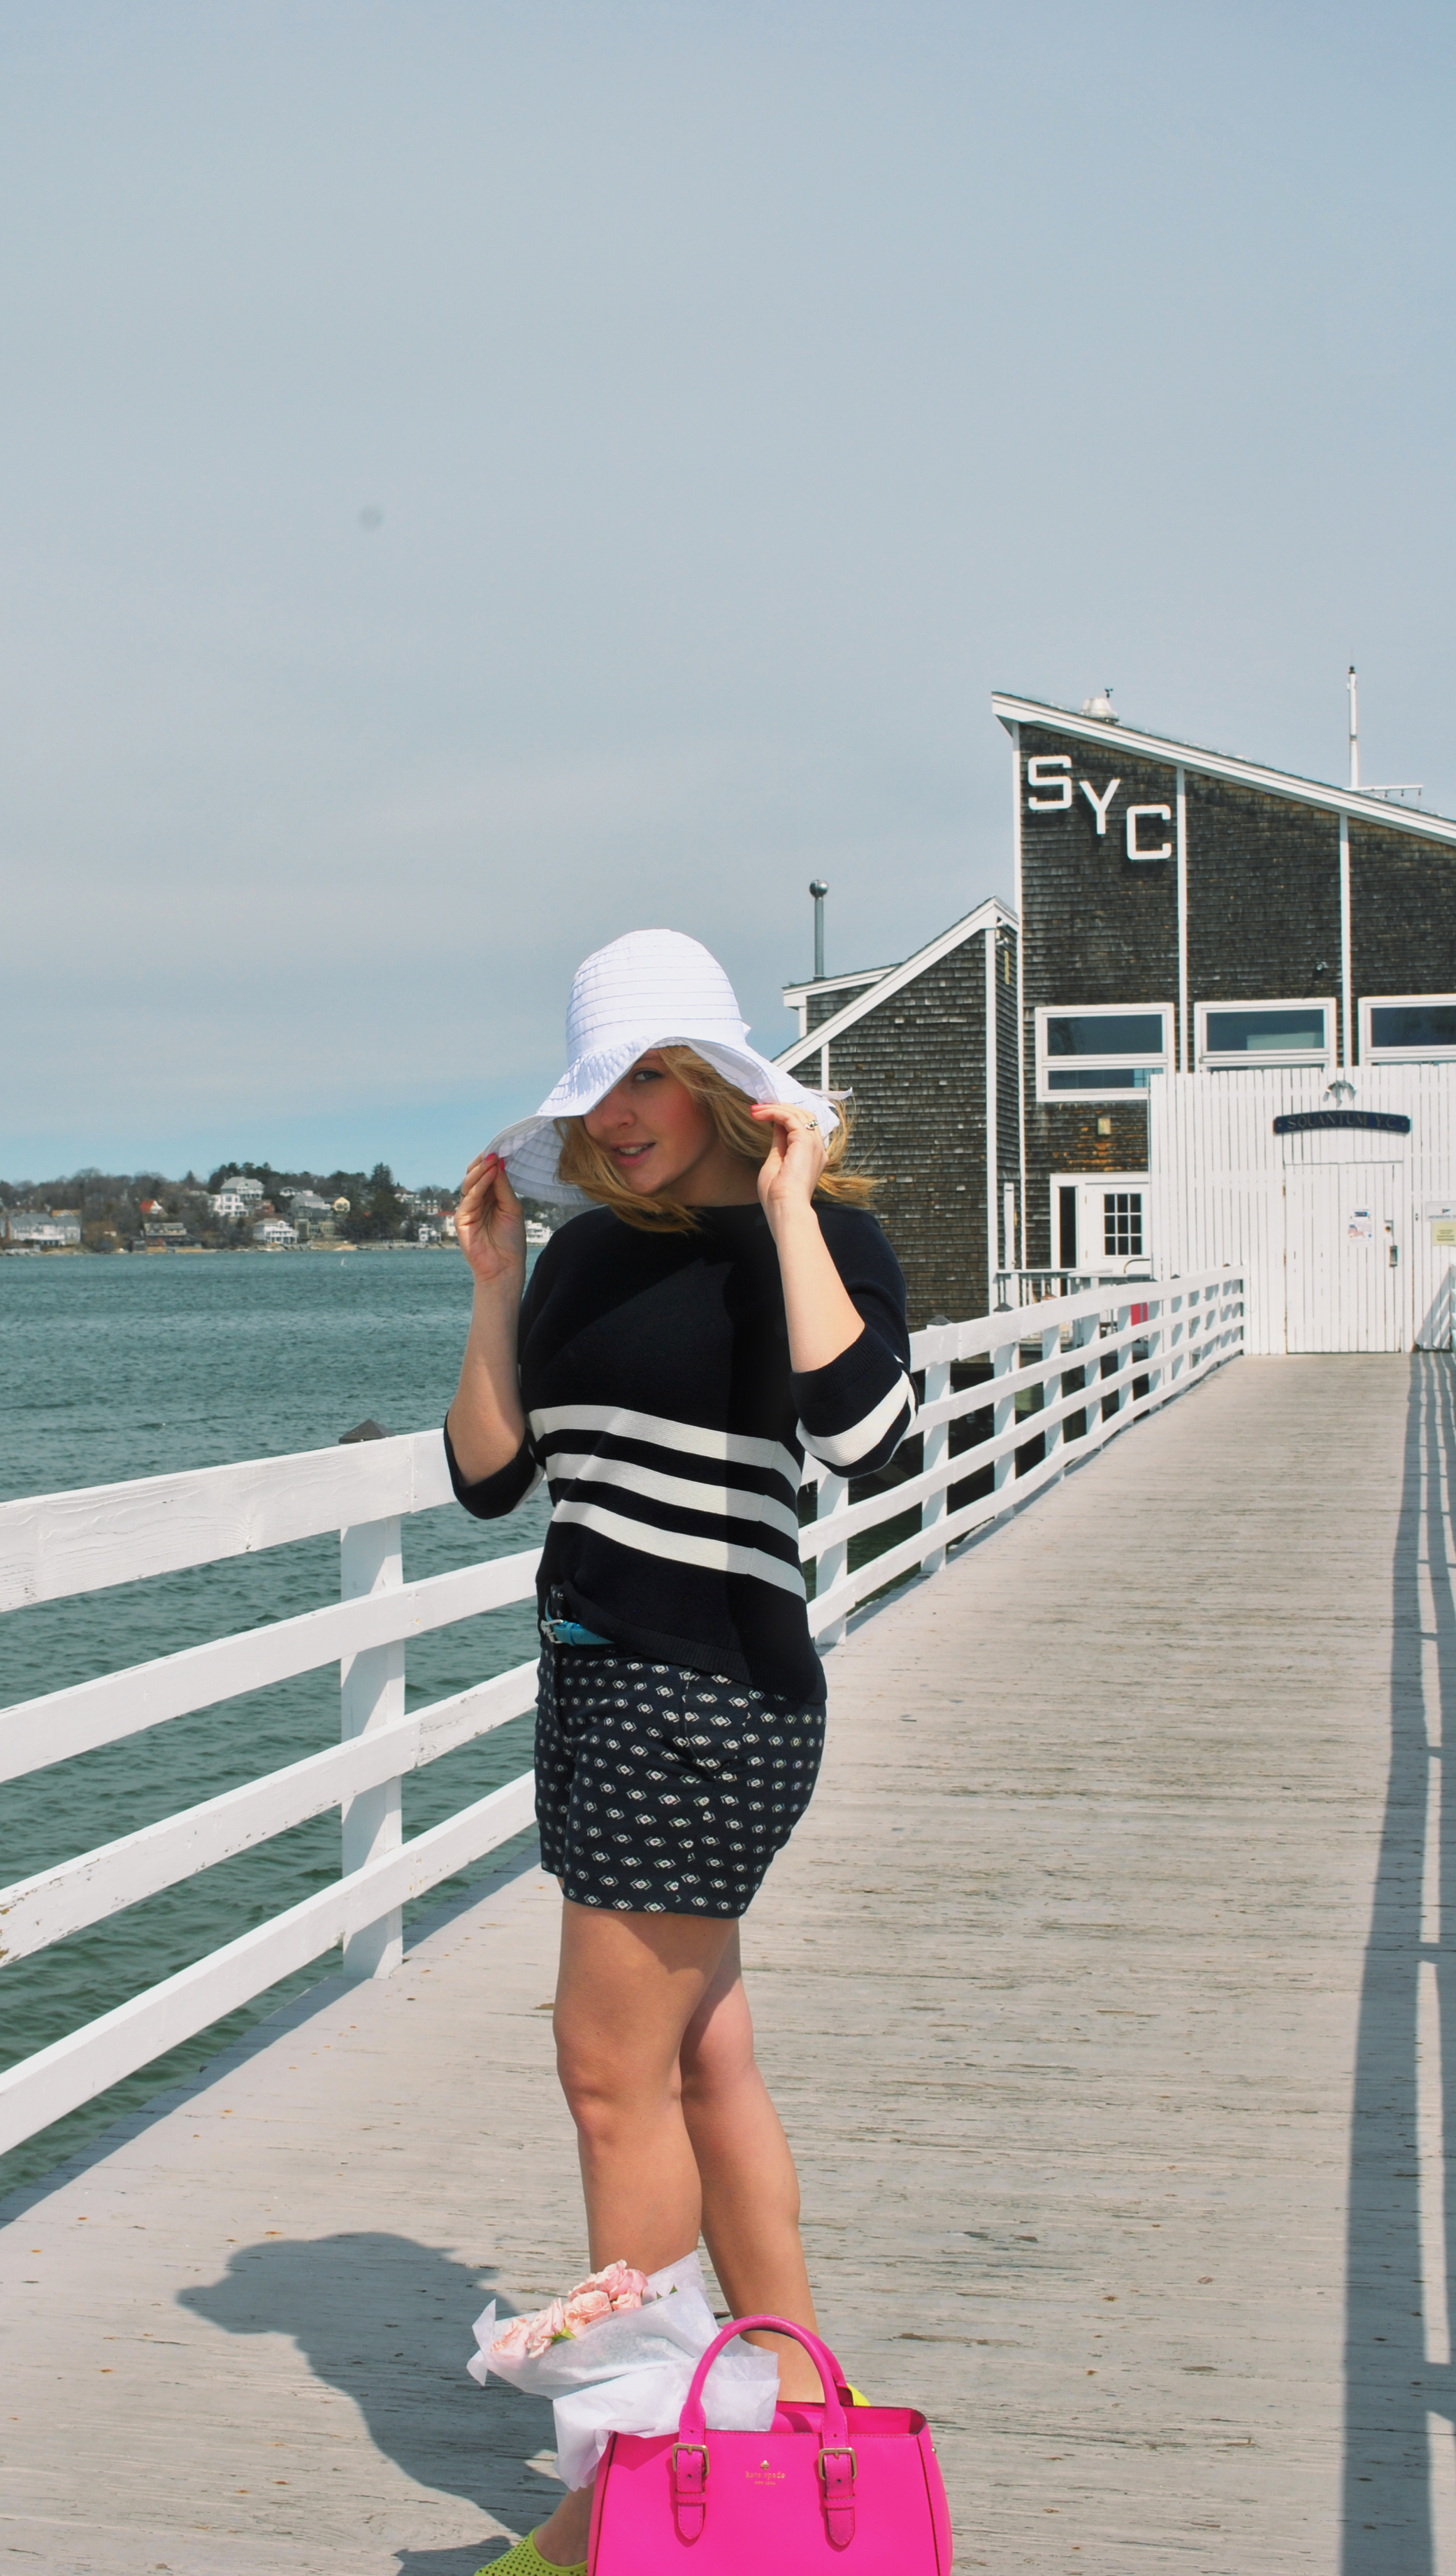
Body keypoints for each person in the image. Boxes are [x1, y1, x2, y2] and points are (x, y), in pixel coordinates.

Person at [447, 928, 914, 2576]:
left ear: (723, 1081)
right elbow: (494, 1479)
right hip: (587, 1687)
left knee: (604, 2079)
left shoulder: (823, 1238)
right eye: (604, 1084)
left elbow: (867, 1435)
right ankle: (786, 2395)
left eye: (656, 1073)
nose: (627, 1113)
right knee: (701, 2056)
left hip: (705, 1700)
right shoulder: (578, 1253)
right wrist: (497, 1283)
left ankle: (618, 2500)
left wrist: (786, 1211)